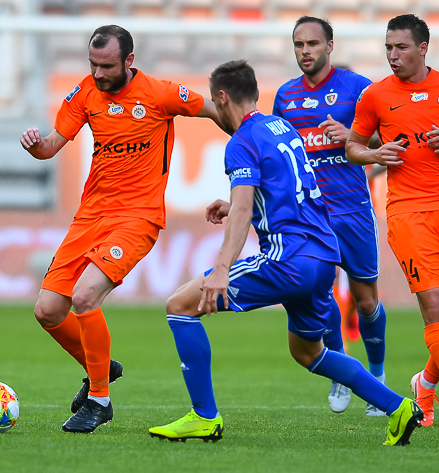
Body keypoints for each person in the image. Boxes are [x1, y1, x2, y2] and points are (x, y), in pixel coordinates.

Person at [148, 60, 423, 446]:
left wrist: (222, 268)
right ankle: (398, 406)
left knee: (179, 306)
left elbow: (244, 208)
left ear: (222, 98)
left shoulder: (241, 142)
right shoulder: (281, 128)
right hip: (322, 257)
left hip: (287, 261)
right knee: (308, 353)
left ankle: (204, 417)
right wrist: (236, 204)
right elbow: (285, 191)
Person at [20, 25, 223, 433]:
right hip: (90, 216)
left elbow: (216, 110)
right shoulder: (85, 93)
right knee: (48, 310)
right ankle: (100, 367)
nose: (98, 74)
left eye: (107, 66)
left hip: (137, 217)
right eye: (92, 65)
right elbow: (52, 145)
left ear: (129, 61)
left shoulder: (160, 94)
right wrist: (36, 146)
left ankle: (99, 400)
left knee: (85, 295)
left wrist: (254, 140)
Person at [345, 14, 439, 429]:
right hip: (407, 212)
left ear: (423, 48)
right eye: (388, 48)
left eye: (401, 47)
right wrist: (375, 154)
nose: (393, 55)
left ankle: (425, 383)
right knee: (435, 307)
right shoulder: (376, 96)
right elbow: (353, 146)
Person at [273, 16, 388, 417]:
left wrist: (353, 136)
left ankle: (377, 377)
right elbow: (278, 154)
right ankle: (341, 370)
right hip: (309, 214)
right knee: (318, 295)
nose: (305, 51)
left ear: (330, 46)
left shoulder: (357, 87)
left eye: (313, 43)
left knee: (365, 300)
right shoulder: (285, 96)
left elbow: (389, 138)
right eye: (299, 44)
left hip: (352, 208)